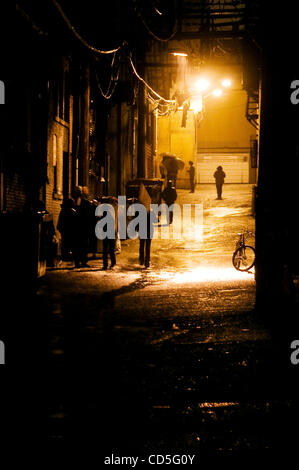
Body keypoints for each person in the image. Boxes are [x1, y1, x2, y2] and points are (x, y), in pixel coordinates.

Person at [72, 186, 91, 268]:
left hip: (80, 227)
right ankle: (80, 262)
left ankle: (80, 261)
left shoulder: (76, 201)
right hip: (81, 227)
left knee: (80, 245)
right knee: (81, 245)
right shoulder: (79, 202)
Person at [101, 196, 118, 270]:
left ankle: (106, 264)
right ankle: (112, 263)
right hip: (111, 230)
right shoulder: (114, 209)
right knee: (111, 248)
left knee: (106, 249)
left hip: (107, 230)